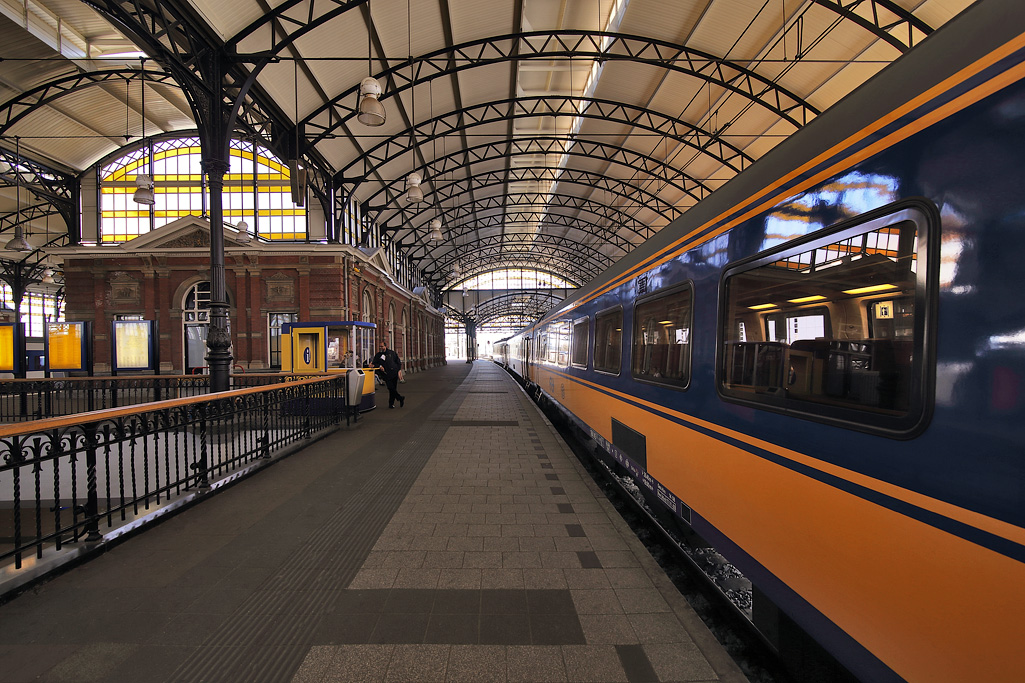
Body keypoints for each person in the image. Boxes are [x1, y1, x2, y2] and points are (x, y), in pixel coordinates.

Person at [371, 341, 405, 408]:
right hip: (386, 374)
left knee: (393, 389)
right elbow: (374, 363)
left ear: (385, 346)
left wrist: (398, 370)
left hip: (394, 373)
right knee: (390, 387)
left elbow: (398, 362)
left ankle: (391, 404)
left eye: (382, 346)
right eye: (380, 346)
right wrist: (380, 366)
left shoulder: (392, 353)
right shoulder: (378, 355)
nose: (381, 348)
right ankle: (400, 398)